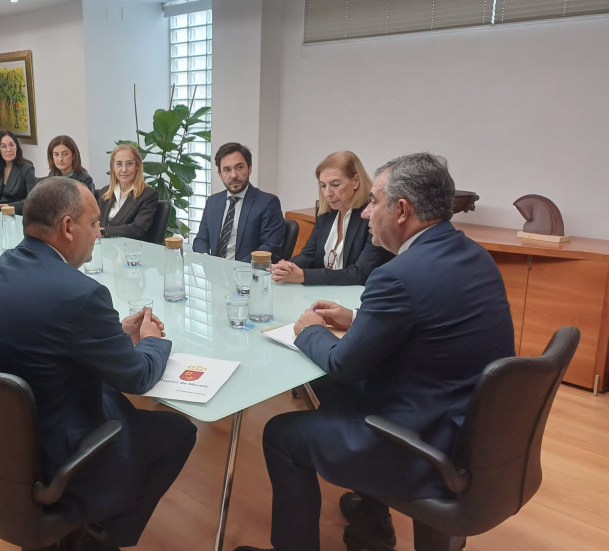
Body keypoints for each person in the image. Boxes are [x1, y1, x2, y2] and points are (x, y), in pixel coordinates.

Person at [234, 153, 516, 551]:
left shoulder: (396, 275)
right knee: (333, 396)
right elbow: (430, 325)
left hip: (422, 443)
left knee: (282, 433)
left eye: (374, 201)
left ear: (402, 210)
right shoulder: (476, 256)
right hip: (472, 429)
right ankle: (371, 520)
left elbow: (341, 364)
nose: (366, 212)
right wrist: (360, 319)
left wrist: (308, 331)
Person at [0, 177, 197, 551]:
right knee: (178, 431)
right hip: (51, 457)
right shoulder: (80, 294)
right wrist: (152, 341)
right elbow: (137, 376)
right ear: (68, 228)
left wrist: (112, 335)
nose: (99, 232)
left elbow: (43, 340)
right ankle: (102, 539)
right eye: (94, 222)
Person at [272, 151, 393, 285]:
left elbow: (361, 273)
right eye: (323, 185)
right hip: (327, 293)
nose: (327, 194)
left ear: (356, 181)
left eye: (335, 185)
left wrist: (304, 276)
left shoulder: (372, 215)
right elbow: (309, 255)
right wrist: (287, 267)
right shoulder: (327, 213)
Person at [193, 142, 285, 262]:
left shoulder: (268, 203)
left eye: (239, 167)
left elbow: (270, 247)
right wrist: (208, 261)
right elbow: (201, 240)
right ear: (220, 174)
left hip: (247, 275)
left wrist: (237, 270)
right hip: (215, 274)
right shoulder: (213, 202)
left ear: (250, 168)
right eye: (227, 170)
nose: (234, 175)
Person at [97, 144, 159, 241]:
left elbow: (138, 229)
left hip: (131, 251)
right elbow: (96, 221)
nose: (124, 169)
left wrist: (104, 231)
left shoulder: (148, 194)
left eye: (129, 164)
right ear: (113, 167)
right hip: (104, 249)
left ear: (137, 166)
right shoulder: (105, 192)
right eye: (119, 164)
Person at [0, 130, 36, 214]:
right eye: (3, 146)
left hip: (18, 213)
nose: (9, 150)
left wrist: (9, 207)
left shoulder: (27, 169)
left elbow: (33, 199)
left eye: (11, 145)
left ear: (16, 147)